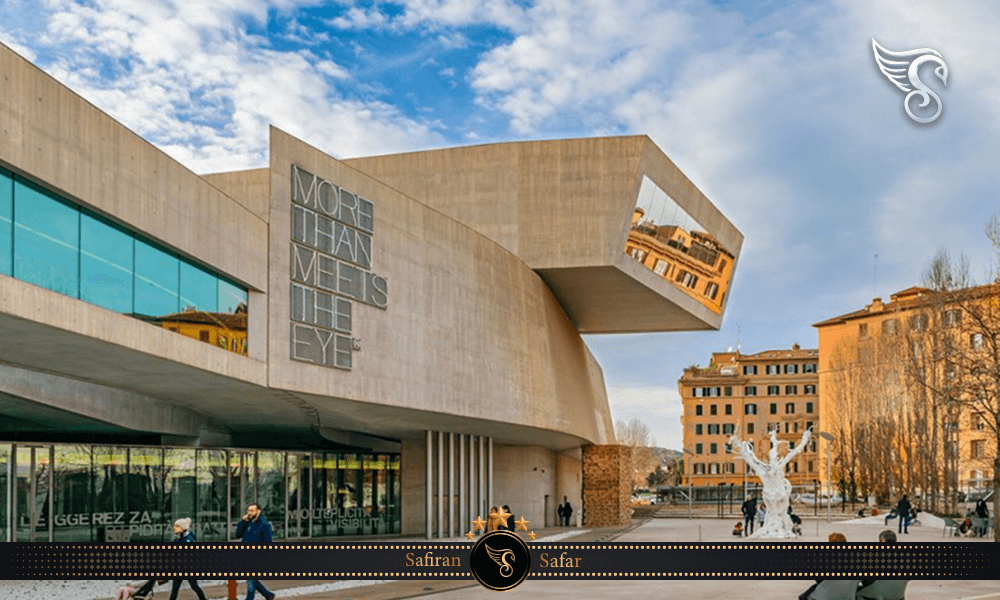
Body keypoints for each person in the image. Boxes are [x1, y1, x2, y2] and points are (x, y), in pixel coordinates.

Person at [236, 503, 276, 600]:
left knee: (251, 580)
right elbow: (238, 534)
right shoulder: (248, 522)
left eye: (252, 510)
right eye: (248, 510)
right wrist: (243, 521)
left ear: (258, 511)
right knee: (252, 579)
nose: (250, 513)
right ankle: (268, 595)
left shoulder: (264, 524)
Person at [168, 518, 208, 600]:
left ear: (183, 528)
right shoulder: (177, 540)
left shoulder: (189, 540)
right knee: (175, 589)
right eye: (174, 526)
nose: (174, 528)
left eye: (177, 526)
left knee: (195, 586)